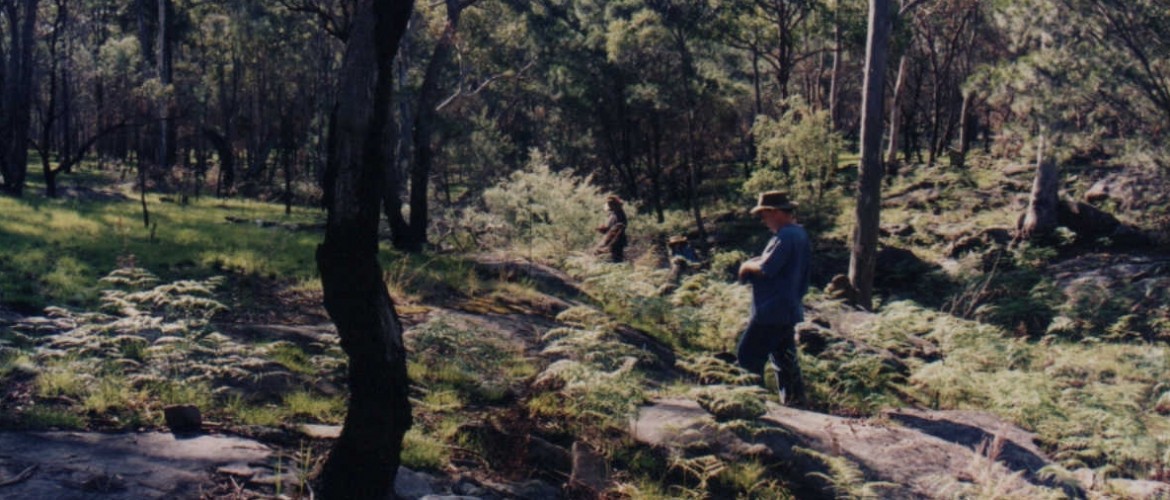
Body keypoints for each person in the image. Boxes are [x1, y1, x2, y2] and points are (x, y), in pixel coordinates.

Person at [736, 191, 812, 406]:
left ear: (776, 212)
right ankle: (796, 404)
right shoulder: (799, 234)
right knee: (784, 360)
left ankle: (751, 405)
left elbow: (766, 268)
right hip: (788, 308)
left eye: (764, 215)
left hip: (771, 310)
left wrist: (745, 266)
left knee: (747, 356)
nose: (763, 220)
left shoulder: (785, 236)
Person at [596, 195, 628, 263]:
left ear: (616, 204)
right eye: (609, 204)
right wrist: (603, 229)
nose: (609, 205)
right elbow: (610, 228)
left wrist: (608, 242)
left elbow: (618, 229)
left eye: (611, 203)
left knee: (617, 260)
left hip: (617, 240)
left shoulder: (620, 215)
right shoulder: (613, 214)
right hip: (610, 239)